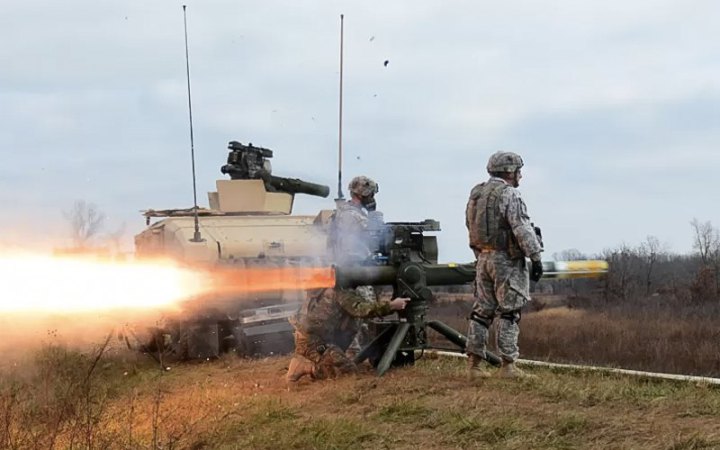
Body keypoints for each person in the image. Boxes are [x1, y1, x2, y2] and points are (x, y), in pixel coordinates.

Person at [286, 176, 409, 384]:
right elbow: (371, 242)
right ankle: (354, 356)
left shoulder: (338, 215)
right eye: (371, 195)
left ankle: (344, 356)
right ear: (363, 194)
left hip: (343, 271)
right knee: (361, 315)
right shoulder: (355, 217)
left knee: (348, 318)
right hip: (354, 273)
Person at [464, 151, 544, 379]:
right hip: (506, 261)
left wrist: (479, 254)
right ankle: (508, 366)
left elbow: (469, 225)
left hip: (483, 259)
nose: (520, 175)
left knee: (481, 313)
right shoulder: (510, 194)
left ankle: (474, 366)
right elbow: (521, 228)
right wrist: (535, 257)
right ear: (510, 172)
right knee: (509, 313)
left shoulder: (476, 194)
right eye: (518, 171)